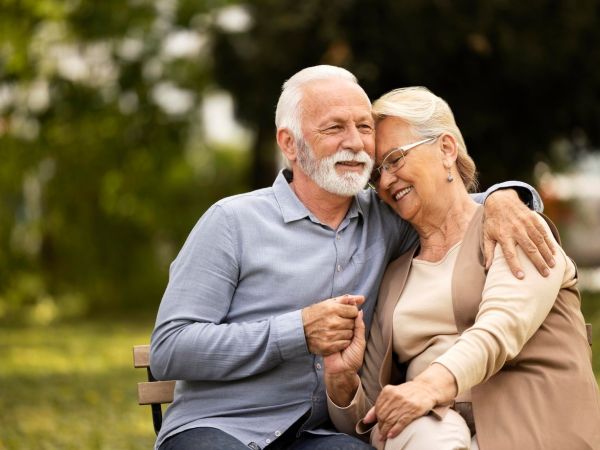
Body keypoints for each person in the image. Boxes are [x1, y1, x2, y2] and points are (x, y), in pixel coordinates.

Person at [149, 66, 554, 450]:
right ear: (289, 143)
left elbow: (456, 205)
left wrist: (509, 196)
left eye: (363, 127)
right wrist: (297, 332)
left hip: (319, 436)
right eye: (334, 128)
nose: (356, 142)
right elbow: (169, 349)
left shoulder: (388, 217)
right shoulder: (231, 222)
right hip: (221, 428)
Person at [325, 86, 600, 450]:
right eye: (377, 174)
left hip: (532, 431)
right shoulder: (393, 276)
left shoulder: (516, 228)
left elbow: (499, 329)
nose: (387, 181)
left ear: (446, 149)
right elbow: (370, 416)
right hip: (432, 435)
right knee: (426, 433)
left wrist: (425, 388)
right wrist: (343, 382)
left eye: (394, 159)